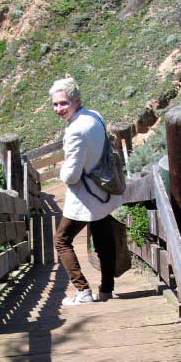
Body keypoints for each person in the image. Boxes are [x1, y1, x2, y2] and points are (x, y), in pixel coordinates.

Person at [49, 77, 123, 306]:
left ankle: (82, 291)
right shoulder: (95, 115)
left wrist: (61, 169)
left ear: (76, 100)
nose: (59, 109)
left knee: (61, 240)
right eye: (55, 104)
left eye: (64, 103)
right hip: (104, 189)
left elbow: (71, 176)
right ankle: (107, 290)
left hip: (86, 194)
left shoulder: (75, 131)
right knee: (103, 240)